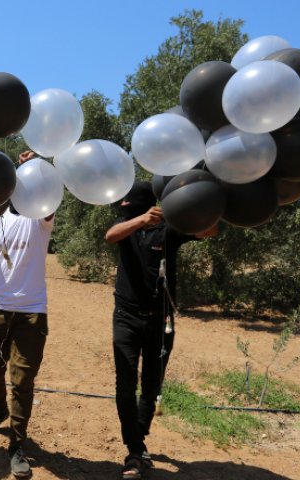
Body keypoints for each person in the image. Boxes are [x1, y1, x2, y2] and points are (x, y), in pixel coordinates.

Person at [104, 181, 217, 480]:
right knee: (125, 384)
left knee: (152, 386)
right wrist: (140, 220)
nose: (124, 208)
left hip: (160, 320)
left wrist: (207, 212)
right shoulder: (125, 225)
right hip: (126, 317)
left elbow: (208, 231)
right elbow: (110, 236)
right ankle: (135, 449)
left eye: (129, 204)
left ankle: (137, 438)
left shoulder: (168, 229)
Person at [0, 150, 54, 478]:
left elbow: (49, 194)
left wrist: (36, 164)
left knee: (23, 380)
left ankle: (17, 445)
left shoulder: (41, 216)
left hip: (31, 312)